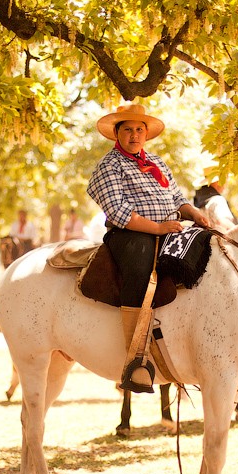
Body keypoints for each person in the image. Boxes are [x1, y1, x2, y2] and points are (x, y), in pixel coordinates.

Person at [87, 103, 210, 393]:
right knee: (141, 269)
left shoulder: (156, 162)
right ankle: (135, 359)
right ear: (117, 133)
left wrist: (192, 213)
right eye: (128, 129)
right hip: (131, 235)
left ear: (146, 134)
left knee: (206, 254)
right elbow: (117, 211)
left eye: (139, 129)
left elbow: (177, 196)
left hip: (170, 227)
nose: (134, 134)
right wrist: (157, 228)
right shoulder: (109, 165)